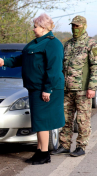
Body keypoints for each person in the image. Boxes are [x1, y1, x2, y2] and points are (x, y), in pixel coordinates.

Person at [0, 13, 65, 165]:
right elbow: (20, 59)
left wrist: (48, 89)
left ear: (44, 27)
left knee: (43, 122)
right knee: (38, 122)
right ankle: (39, 151)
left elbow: (54, 68)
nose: (33, 29)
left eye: (35, 26)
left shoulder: (53, 44)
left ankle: (45, 154)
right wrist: (3, 62)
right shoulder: (34, 43)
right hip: (35, 88)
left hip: (45, 89)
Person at [51, 16, 97, 157]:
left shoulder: (91, 44)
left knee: (82, 119)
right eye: (73, 26)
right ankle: (64, 145)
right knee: (65, 118)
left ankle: (81, 146)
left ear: (84, 26)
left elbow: (95, 66)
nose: (74, 28)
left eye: (77, 26)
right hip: (67, 89)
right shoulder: (68, 44)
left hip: (83, 89)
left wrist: (92, 87)